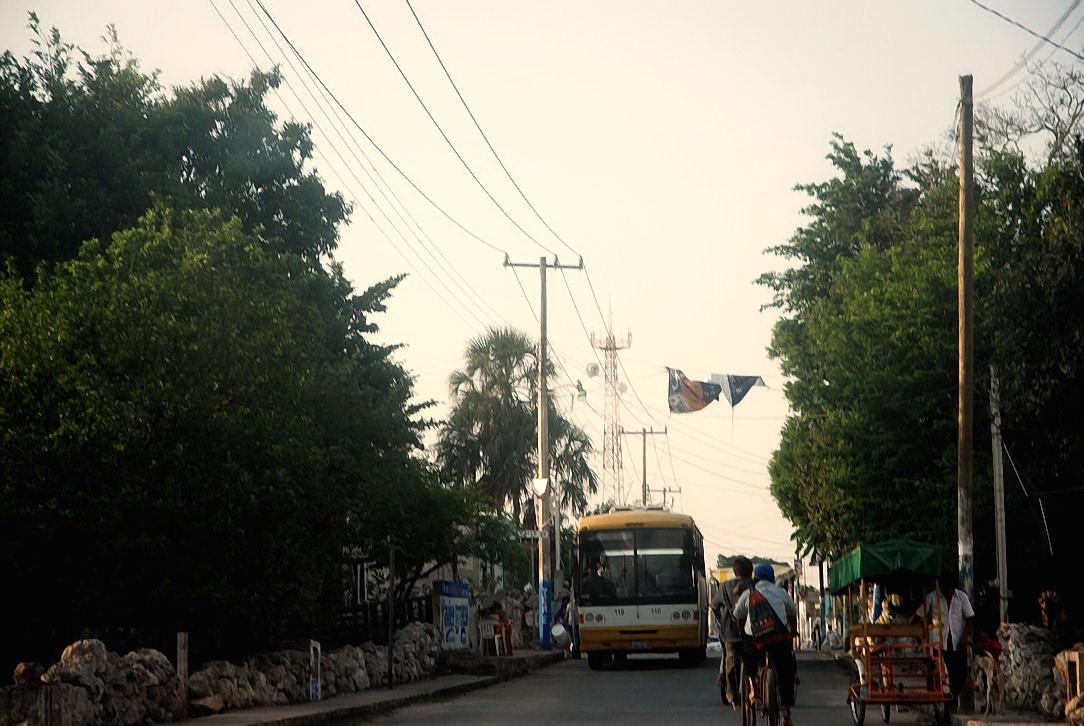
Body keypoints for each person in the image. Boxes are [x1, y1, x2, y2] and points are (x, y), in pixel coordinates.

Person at [734, 563, 799, 726]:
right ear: (772, 578)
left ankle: (753, 687)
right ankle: (787, 712)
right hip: (778, 638)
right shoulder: (781, 592)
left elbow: (738, 614)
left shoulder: (749, 593)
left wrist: (743, 632)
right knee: (786, 669)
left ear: (755, 578)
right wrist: (792, 632)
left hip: (755, 638)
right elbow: (793, 612)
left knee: (748, 658)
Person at [912, 572, 974, 709]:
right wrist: (911, 629)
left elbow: (970, 617)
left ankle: (952, 697)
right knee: (944, 674)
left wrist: (965, 637)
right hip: (939, 643)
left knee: (961, 675)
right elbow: (919, 614)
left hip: (958, 641)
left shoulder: (962, 597)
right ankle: (947, 704)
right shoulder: (932, 598)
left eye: (950, 589)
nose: (948, 592)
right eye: (945, 588)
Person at [710, 555, 755, 710]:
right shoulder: (754, 585)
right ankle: (756, 686)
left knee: (730, 662)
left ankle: (733, 698)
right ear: (751, 572)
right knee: (755, 657)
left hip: (730, 630)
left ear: (734, 572)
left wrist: (721, 621)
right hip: (751, 629)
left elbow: (714, 606)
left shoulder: (724, 586)